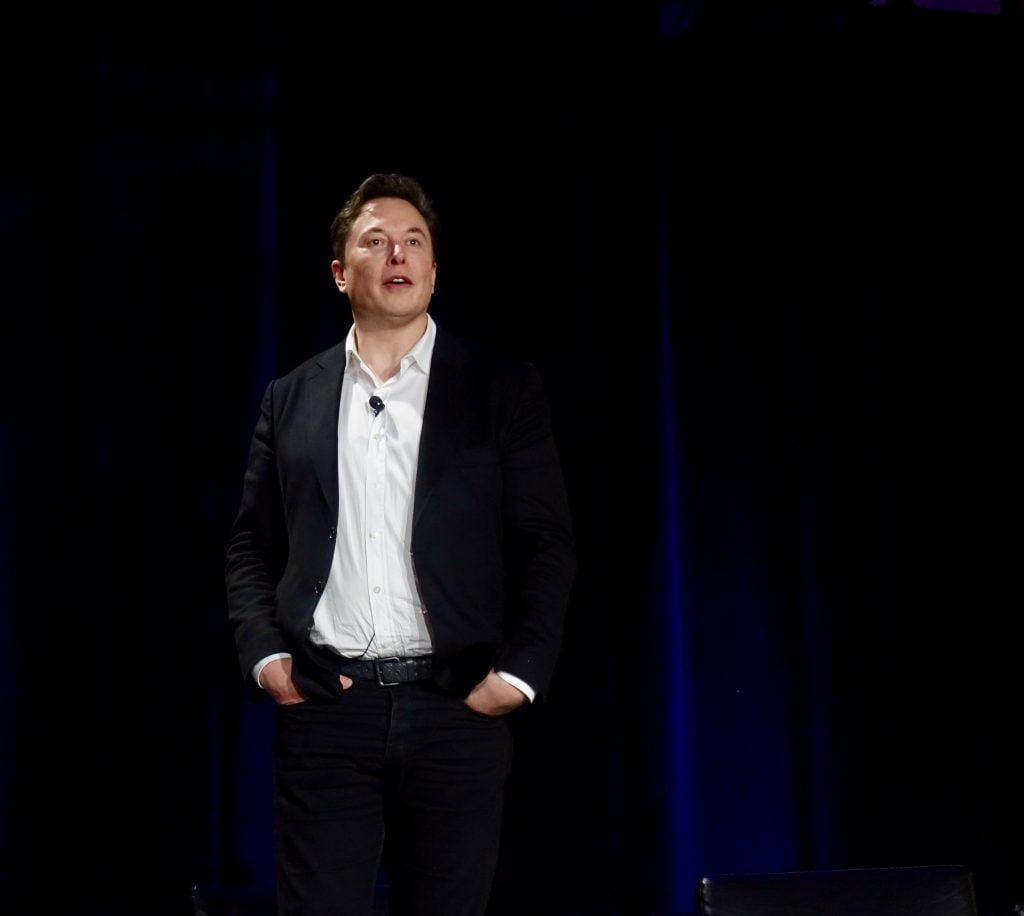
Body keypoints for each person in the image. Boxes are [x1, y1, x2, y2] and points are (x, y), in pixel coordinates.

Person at [225, 173, 575, 916]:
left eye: (415, 241)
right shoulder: (293, 395)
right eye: (376, 240)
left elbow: (545, 542)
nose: (398, 254)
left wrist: (519, 674)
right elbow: (252, 544)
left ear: (434, 271)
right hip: (327, 704)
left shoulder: (498, 387)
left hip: (457, 704)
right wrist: (267, 659)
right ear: (339, 272)